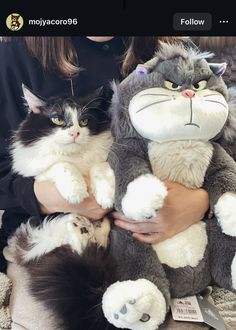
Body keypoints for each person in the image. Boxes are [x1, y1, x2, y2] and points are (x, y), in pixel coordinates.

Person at [0, 36, 209, 273]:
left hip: (168, 235)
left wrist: (201, 202)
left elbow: (220, 143)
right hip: (44, 237)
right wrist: (40, 195)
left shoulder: (177, 50)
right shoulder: (14, 51)